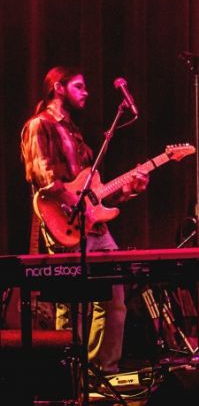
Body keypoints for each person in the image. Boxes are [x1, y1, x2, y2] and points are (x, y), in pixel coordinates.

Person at [20, 66, 148, 374]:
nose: (86, 91)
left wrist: (127, 190)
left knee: (115, 298)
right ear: (58, 88)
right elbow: (45, 180)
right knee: (72, 305)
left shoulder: (74, 132)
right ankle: (71, 378)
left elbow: (95, 193)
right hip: (65, 222)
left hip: (95, 225)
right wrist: (81, 206)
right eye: (79, 86)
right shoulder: (40, 125)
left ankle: (103, 370)